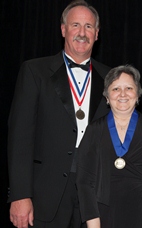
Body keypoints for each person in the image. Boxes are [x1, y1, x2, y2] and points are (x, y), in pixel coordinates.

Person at [7, 1, 111, 227]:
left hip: (95, 197)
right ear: (63, 29)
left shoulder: (112, 78)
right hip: (45, 196)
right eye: (75, 25)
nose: (82, 33)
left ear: (97, 34)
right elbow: (20, 138)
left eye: (89, 27)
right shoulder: (34, 71)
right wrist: (19, 195)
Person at [76, 65, 142, 228]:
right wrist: (93, 222)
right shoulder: (94, 130)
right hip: (102, 216)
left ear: (138, 94)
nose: (122, 94)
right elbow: (84, 180)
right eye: (115, 89)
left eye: (129, 88)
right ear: (107, 96)